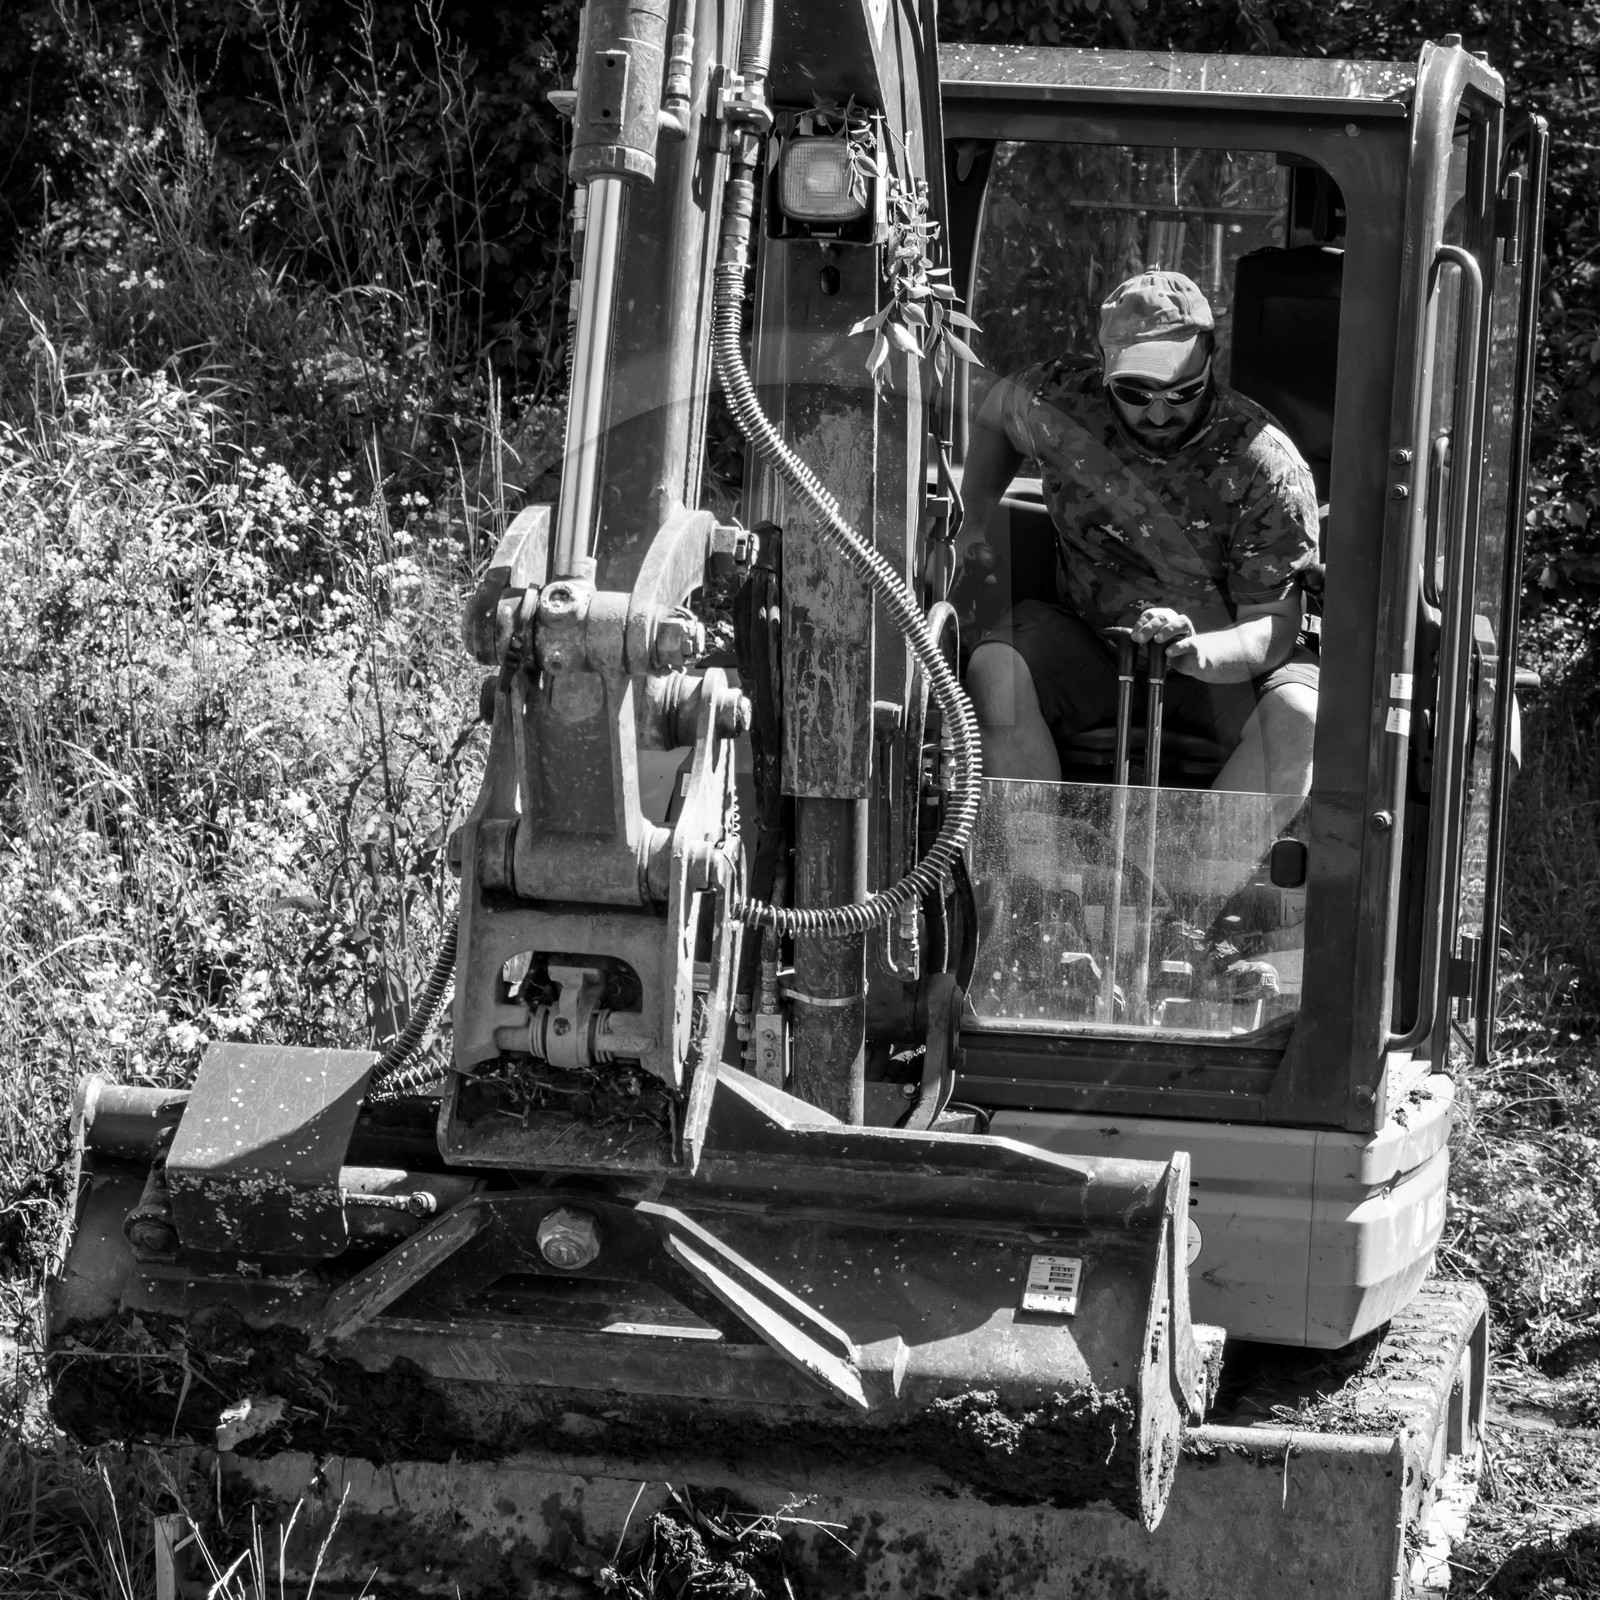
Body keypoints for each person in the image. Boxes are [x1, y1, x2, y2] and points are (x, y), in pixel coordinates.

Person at [960, 270, 1321, 796]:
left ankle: (1192, 879)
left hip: (1222, 663)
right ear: (1105, 365)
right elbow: (998, 411)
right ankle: (1040, 876)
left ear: (1210, 361)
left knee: (1300, 719)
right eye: (1135, 390)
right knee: (994, 675)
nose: (1157, 411)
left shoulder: (1265, 465)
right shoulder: (1060, 401)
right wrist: (970, 521)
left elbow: (1273, 625)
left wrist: (1201, 653)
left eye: (1183, 392)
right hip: (1088, 639)